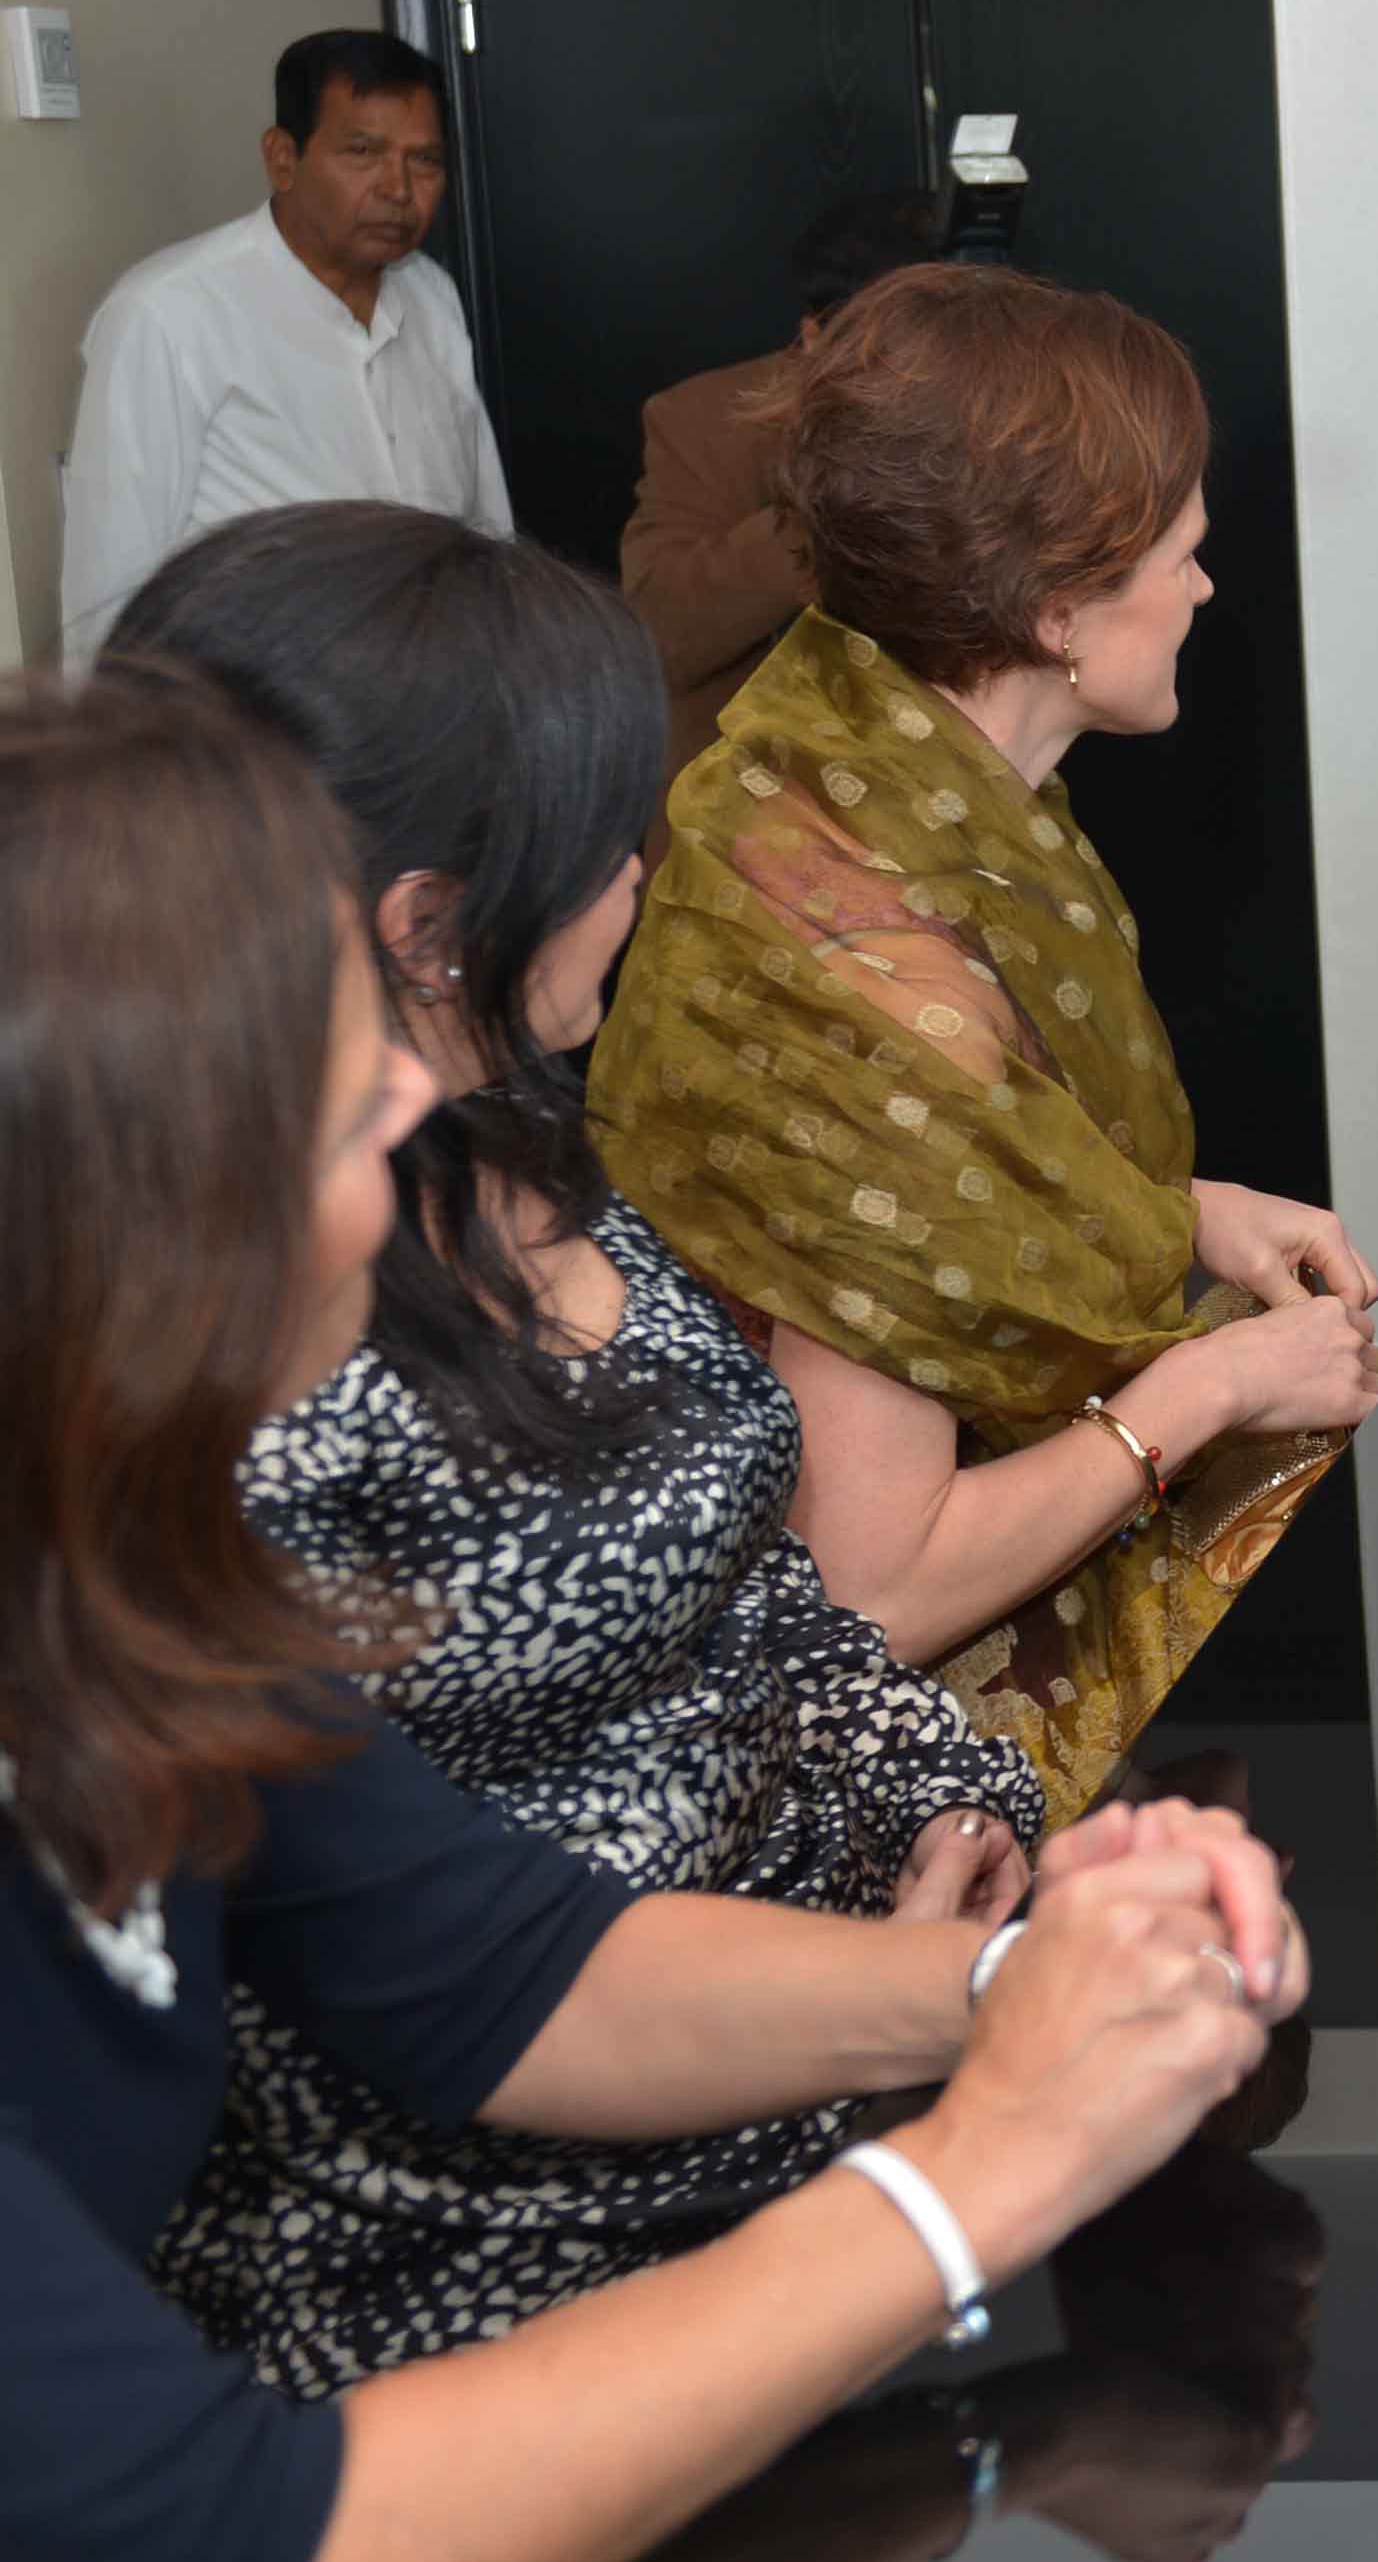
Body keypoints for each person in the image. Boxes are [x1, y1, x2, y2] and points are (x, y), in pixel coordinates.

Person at [0, 659, 1302, 2562]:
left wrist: (1025, 1982)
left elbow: (505, 1970)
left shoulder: (103, 1562)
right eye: (333, 1091)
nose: (406, 1114)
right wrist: (984, 2172)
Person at [102, 505, 1047, 2395]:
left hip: (833, 2064)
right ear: (427, 926)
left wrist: (953, 1811)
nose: (638, 873)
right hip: (510, 2245)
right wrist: (958, 2005)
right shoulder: (224, 1389)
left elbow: (758, 1594)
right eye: (606, 836)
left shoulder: (524, 1149)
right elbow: (435, 1988)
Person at [582, 262, 1378, 1828]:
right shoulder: (873, 973)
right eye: (1182, 553)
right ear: (1055, 611)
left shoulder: (864, 774)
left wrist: (1183, 1213)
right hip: (841, 1781)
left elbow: (939, 1182)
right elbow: (872, 1591)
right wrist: (1215, 1381)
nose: (1203, 588)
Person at [54, 32, 507, 664]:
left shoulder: (431, 297)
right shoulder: (167, 313)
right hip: (250, 711)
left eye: (425, 161)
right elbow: (107, 595)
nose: (399, 189)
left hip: (431, 696)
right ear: (283, 158)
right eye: (363, 152)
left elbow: (486, 530)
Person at [620, 182, 951, 781]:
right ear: (813, 339)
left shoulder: (1002, 422)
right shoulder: (706, 421)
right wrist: (825, 504)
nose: (907, 382)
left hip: (944, 778)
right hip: (750, 797)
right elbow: (661, 638)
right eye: (882, 355)